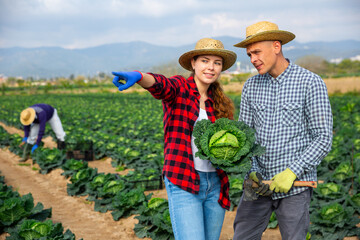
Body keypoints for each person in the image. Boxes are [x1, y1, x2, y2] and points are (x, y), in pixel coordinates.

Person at [112, 38, 237, 240]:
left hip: (215, 183)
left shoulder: (221, 103)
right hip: (184, 180)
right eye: (205, 61)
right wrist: (140, 76)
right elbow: (161, 85)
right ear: (193, 63)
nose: (211, 67)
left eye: (217, 63)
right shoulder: (180, 89)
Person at [232, 21, 333, 239]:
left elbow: (323, 138)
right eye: (249, 55)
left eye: (257, 52)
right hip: (257, 184)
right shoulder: (251, 86)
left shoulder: (310, 82)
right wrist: (251, 170)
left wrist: (292, 171)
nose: (253, 60)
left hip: (295, 187)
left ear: (276, 47)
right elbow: (245, 137)